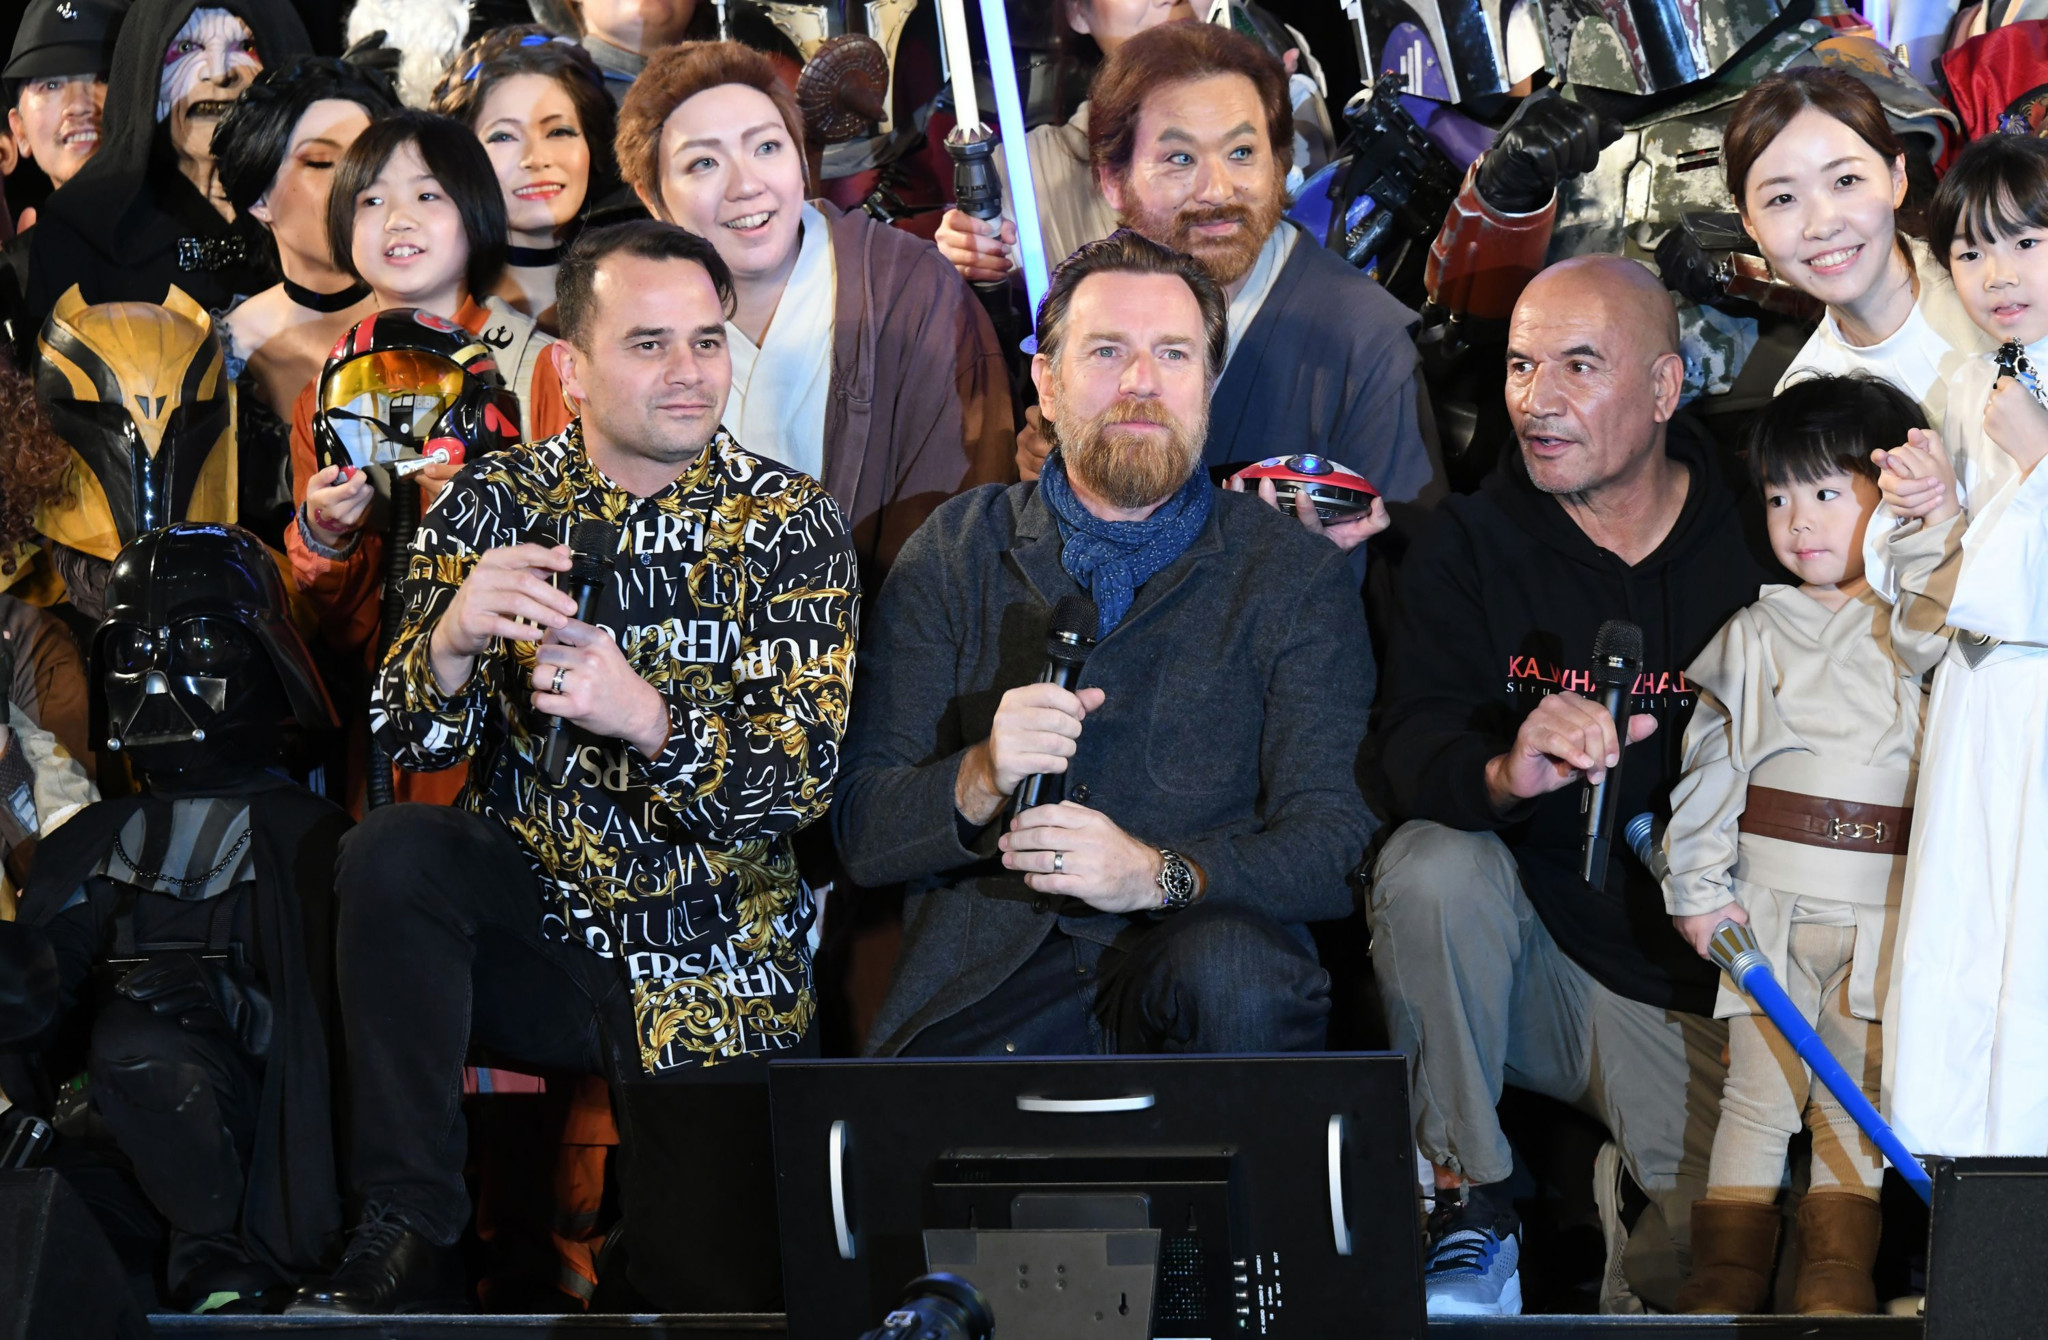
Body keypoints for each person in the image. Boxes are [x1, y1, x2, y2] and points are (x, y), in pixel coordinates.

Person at [287, 220, 857, 1314]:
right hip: (537, 924)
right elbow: (416, 743)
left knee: (707, 1296)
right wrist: (448, 642)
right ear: (570, 367)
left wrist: (646, 716)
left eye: (705, 340)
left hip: (712, 960)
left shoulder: (793, 524)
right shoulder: (494, 505)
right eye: (648, 344)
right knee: (394, 851)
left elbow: (795, 785)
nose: (688, 373)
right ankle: (406, 1224)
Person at [1367, 255, 1789, 1316]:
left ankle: (1616, 1218)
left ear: (1661, 388)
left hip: (1688, 977)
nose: (1534, 400)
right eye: (1516, 365)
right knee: (1429, 864)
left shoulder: (1756, 530)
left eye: (1576, 365)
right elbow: (1408, 742)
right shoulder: (1469, 539)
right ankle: (1467, 1202)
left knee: (1729, 1268)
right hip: (1522, 954)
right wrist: (1504, 770)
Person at [833, 228, 1372, 1058]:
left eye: (1174, 354)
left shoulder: (1292, 577)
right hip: (991, 971)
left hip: (1205, 968)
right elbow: (863, 835)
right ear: (1046, 382)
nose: (1143, 384)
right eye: (1108, 351)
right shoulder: (958, 547)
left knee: (1233, 974)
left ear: (1210, 382)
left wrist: (1155, 873)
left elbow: (1333, 847)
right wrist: (981, 774)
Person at [7, 523, 346, 1314]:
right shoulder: (86, 843)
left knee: (140, 1048)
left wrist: (242, 1013)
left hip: (270, 1168)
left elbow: (363, 1041)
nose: (156, 677)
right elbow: (42, 1006)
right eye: (130, 649)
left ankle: (217, 1259)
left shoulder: (313, 837)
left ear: (265, 654)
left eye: (196, 642)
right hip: (101, 1165)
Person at [1661, 377, 1935, 1317]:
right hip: (1767, 913)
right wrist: (1696, 887)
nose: (1798, 521)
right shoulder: (1755, 631)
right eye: (1778, 497)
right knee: (1757, 1104)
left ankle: (1837, 1292)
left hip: (1882, 922)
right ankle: (1723, 1287)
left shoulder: (1919, 637)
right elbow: (1711, 771)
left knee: (1852, 1112)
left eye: (1826, 493)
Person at [1009, 22, 1429, 551]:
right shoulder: (1083, 309)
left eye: (1242, 153)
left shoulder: (1366, 340)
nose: (1217, 190)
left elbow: (1409, 577)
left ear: (1281, 165)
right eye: (1180, 158)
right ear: (1112, 181)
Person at [616, 39, 1014, 583]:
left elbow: (971, 516)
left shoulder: (911, 290)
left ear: (801, 159)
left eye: (767, 148)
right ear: (652, 196)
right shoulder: (626, 330)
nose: (746, 185)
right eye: (704, 162)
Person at [285, 111, 572, 792]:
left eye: (427, 195)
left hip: (527, 732)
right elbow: (342, 624)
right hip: (391, 734)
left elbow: (588, 550)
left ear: (473, 212)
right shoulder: (324, 395)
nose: (397, 220)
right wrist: (325, 536)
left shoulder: (541, 366)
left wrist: (487, 512)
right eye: (371, 200)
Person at [1877, 133, 2048, 1161]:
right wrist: (1927, 508)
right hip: (1981, 715)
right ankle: (1979, 1212)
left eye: (2024, 242)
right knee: (1967, 953)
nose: (1997, 276)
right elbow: (1936, 587)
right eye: (1970, 254)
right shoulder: (1963, 387)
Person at [1724, 68, 1994, 436]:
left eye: (1846, 181)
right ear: (1749, 223)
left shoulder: (2003, 288)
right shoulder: (1806, 406)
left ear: (1897, 178)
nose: (1822, 225)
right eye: (1783, 198)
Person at [23, 0, 311, 342]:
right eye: (187, 48)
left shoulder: (328, 212)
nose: (218, 72)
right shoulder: (78, 232)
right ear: (146, 77)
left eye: (245, 47)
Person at [208, 55, 399, 549]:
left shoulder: (443, 321)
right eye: (320, 162)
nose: (354, 184)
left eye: (368, 162)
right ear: (258, 198)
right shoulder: (215, 356)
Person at [431, 26, 618, 329]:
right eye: (503, 136)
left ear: (591, 145)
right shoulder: (437, 311)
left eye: (559, 131)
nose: (535, 159)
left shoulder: (638, 292)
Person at [2, 0, 123, 340]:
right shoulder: (10, 283)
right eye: (51, 85)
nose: (80, 105)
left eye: (102, 77)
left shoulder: (204, 241)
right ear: (19, 131)